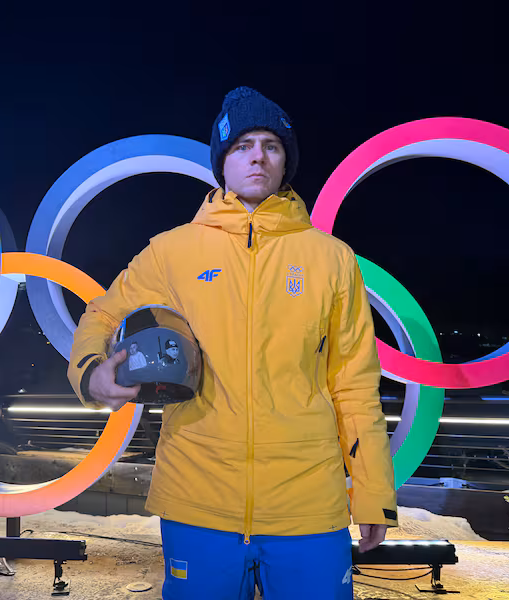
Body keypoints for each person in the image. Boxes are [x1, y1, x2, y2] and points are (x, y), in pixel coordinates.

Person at [68, 86, 397, 599]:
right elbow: (101, 314)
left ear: (286, 161)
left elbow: (355, 384)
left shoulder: (331, 258)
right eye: (243, 145)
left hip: (307, 502)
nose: (258, 156)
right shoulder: (171, 251)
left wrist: (373, 492)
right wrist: (92, 370)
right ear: (222, 160)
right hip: (197, 497)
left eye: (271, 144)